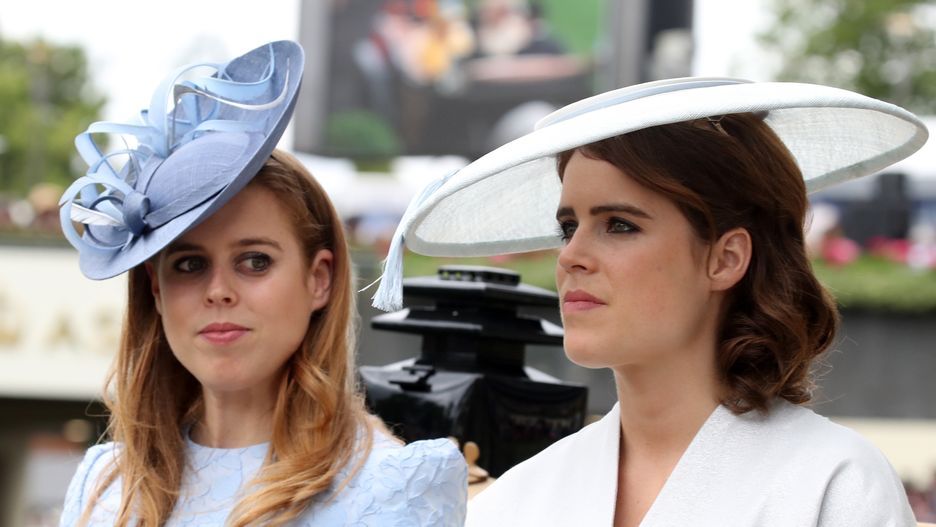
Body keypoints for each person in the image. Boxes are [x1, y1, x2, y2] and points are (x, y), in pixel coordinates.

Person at [371, 77, 928, 525]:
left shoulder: (833, 485)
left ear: (725, 258)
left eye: (619, 224)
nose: (571, 257)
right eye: (569, 227)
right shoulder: (518, 500)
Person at [57, 41, 466, 526]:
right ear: (156, 290)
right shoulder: (104, 485)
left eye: (255, 261)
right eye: (189, 265)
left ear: (319, 279)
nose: (219, 291)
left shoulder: (394, 487)